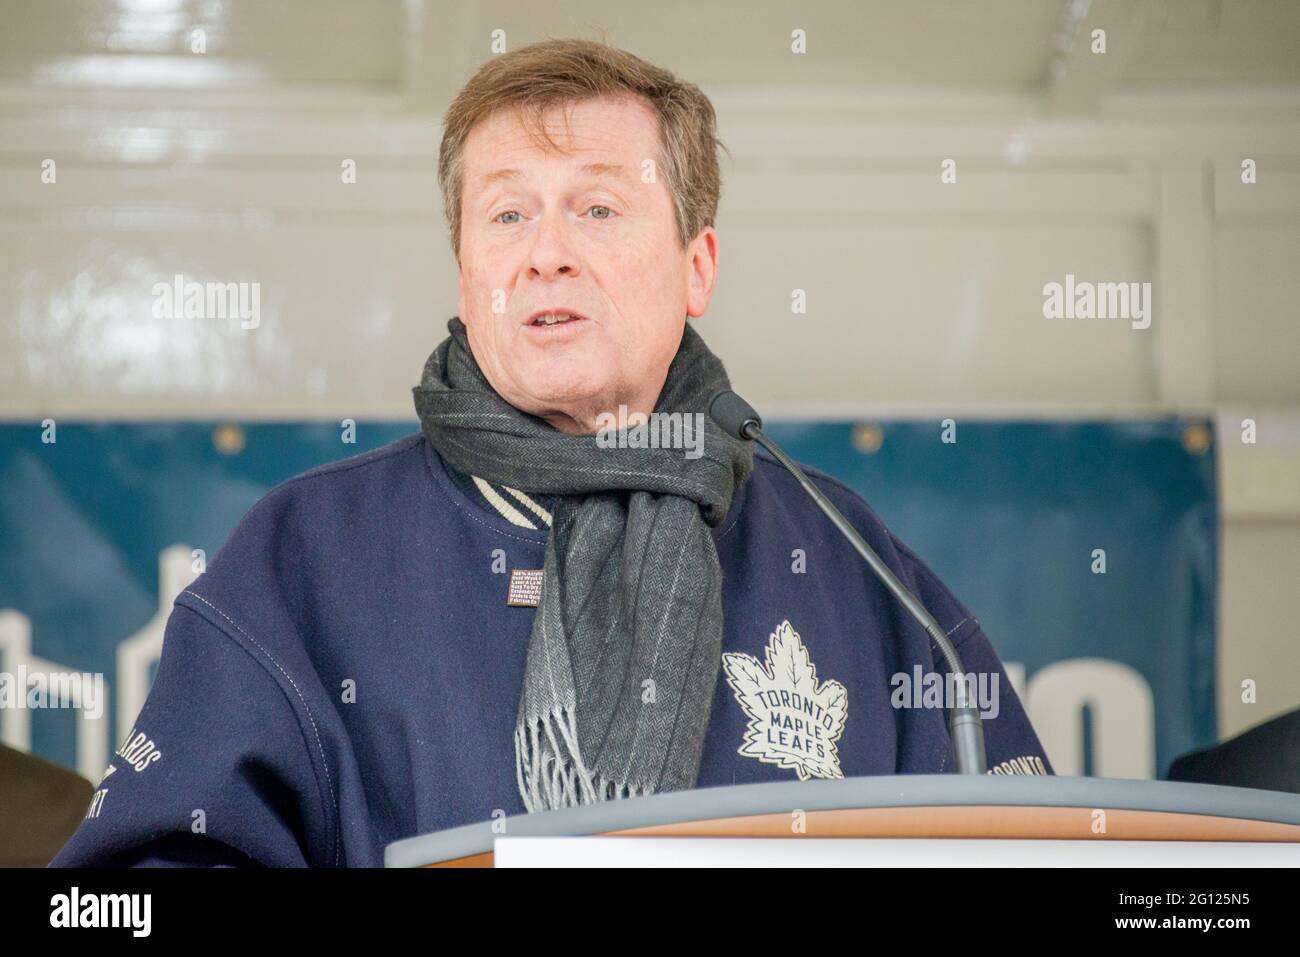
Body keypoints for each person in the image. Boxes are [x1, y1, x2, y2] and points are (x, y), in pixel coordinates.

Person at [52, 38, 1050, 868]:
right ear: (466, 265)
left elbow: (1035, 847)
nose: (546, 251)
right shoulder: (302, 555)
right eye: (507, 212)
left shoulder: (853, 562)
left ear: (695, 266)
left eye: (599, 207)